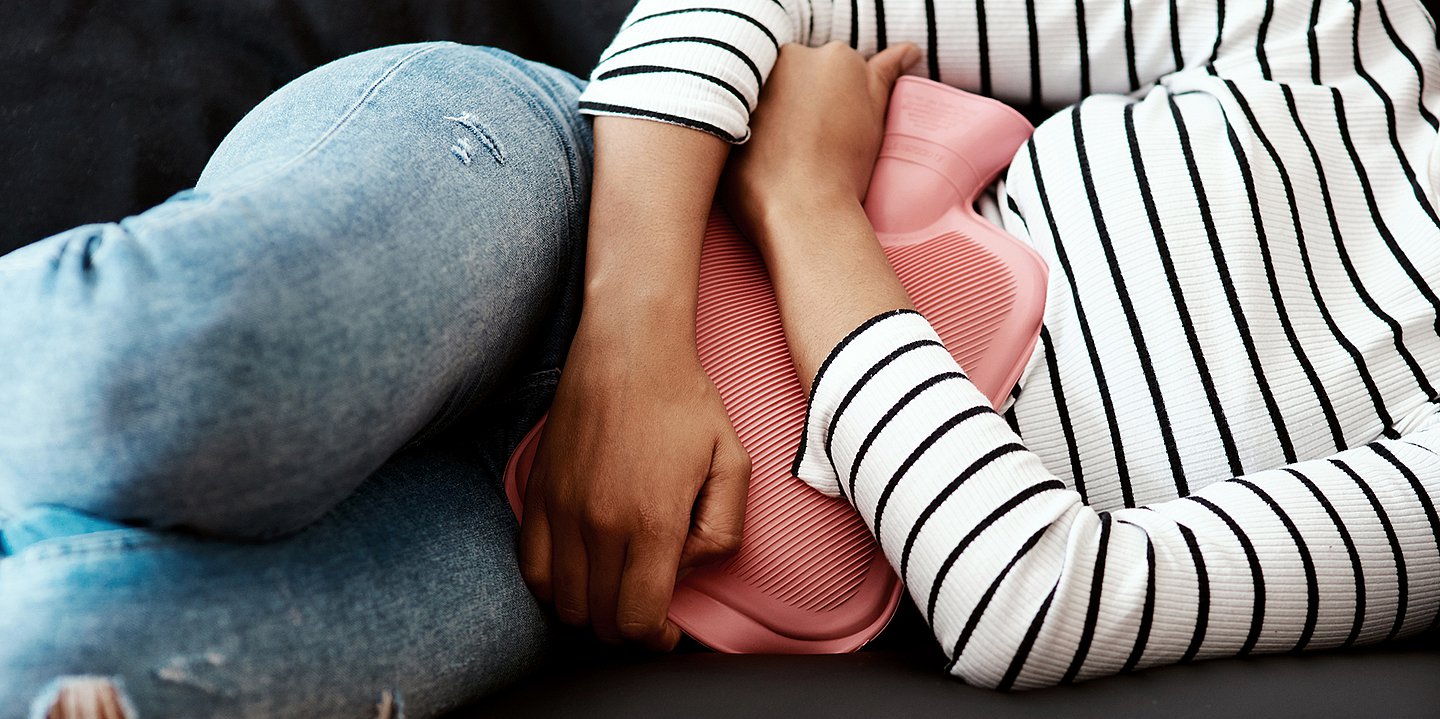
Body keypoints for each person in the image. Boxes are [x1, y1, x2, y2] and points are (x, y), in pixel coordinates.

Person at [2, 0, 1438, 715]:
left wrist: (810, 208)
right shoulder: (1357, 31)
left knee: (72, 661)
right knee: (133, 379)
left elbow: (1042, 597)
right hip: (558, 207)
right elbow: (758, 3)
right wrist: (631, 348)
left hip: (602, 569)